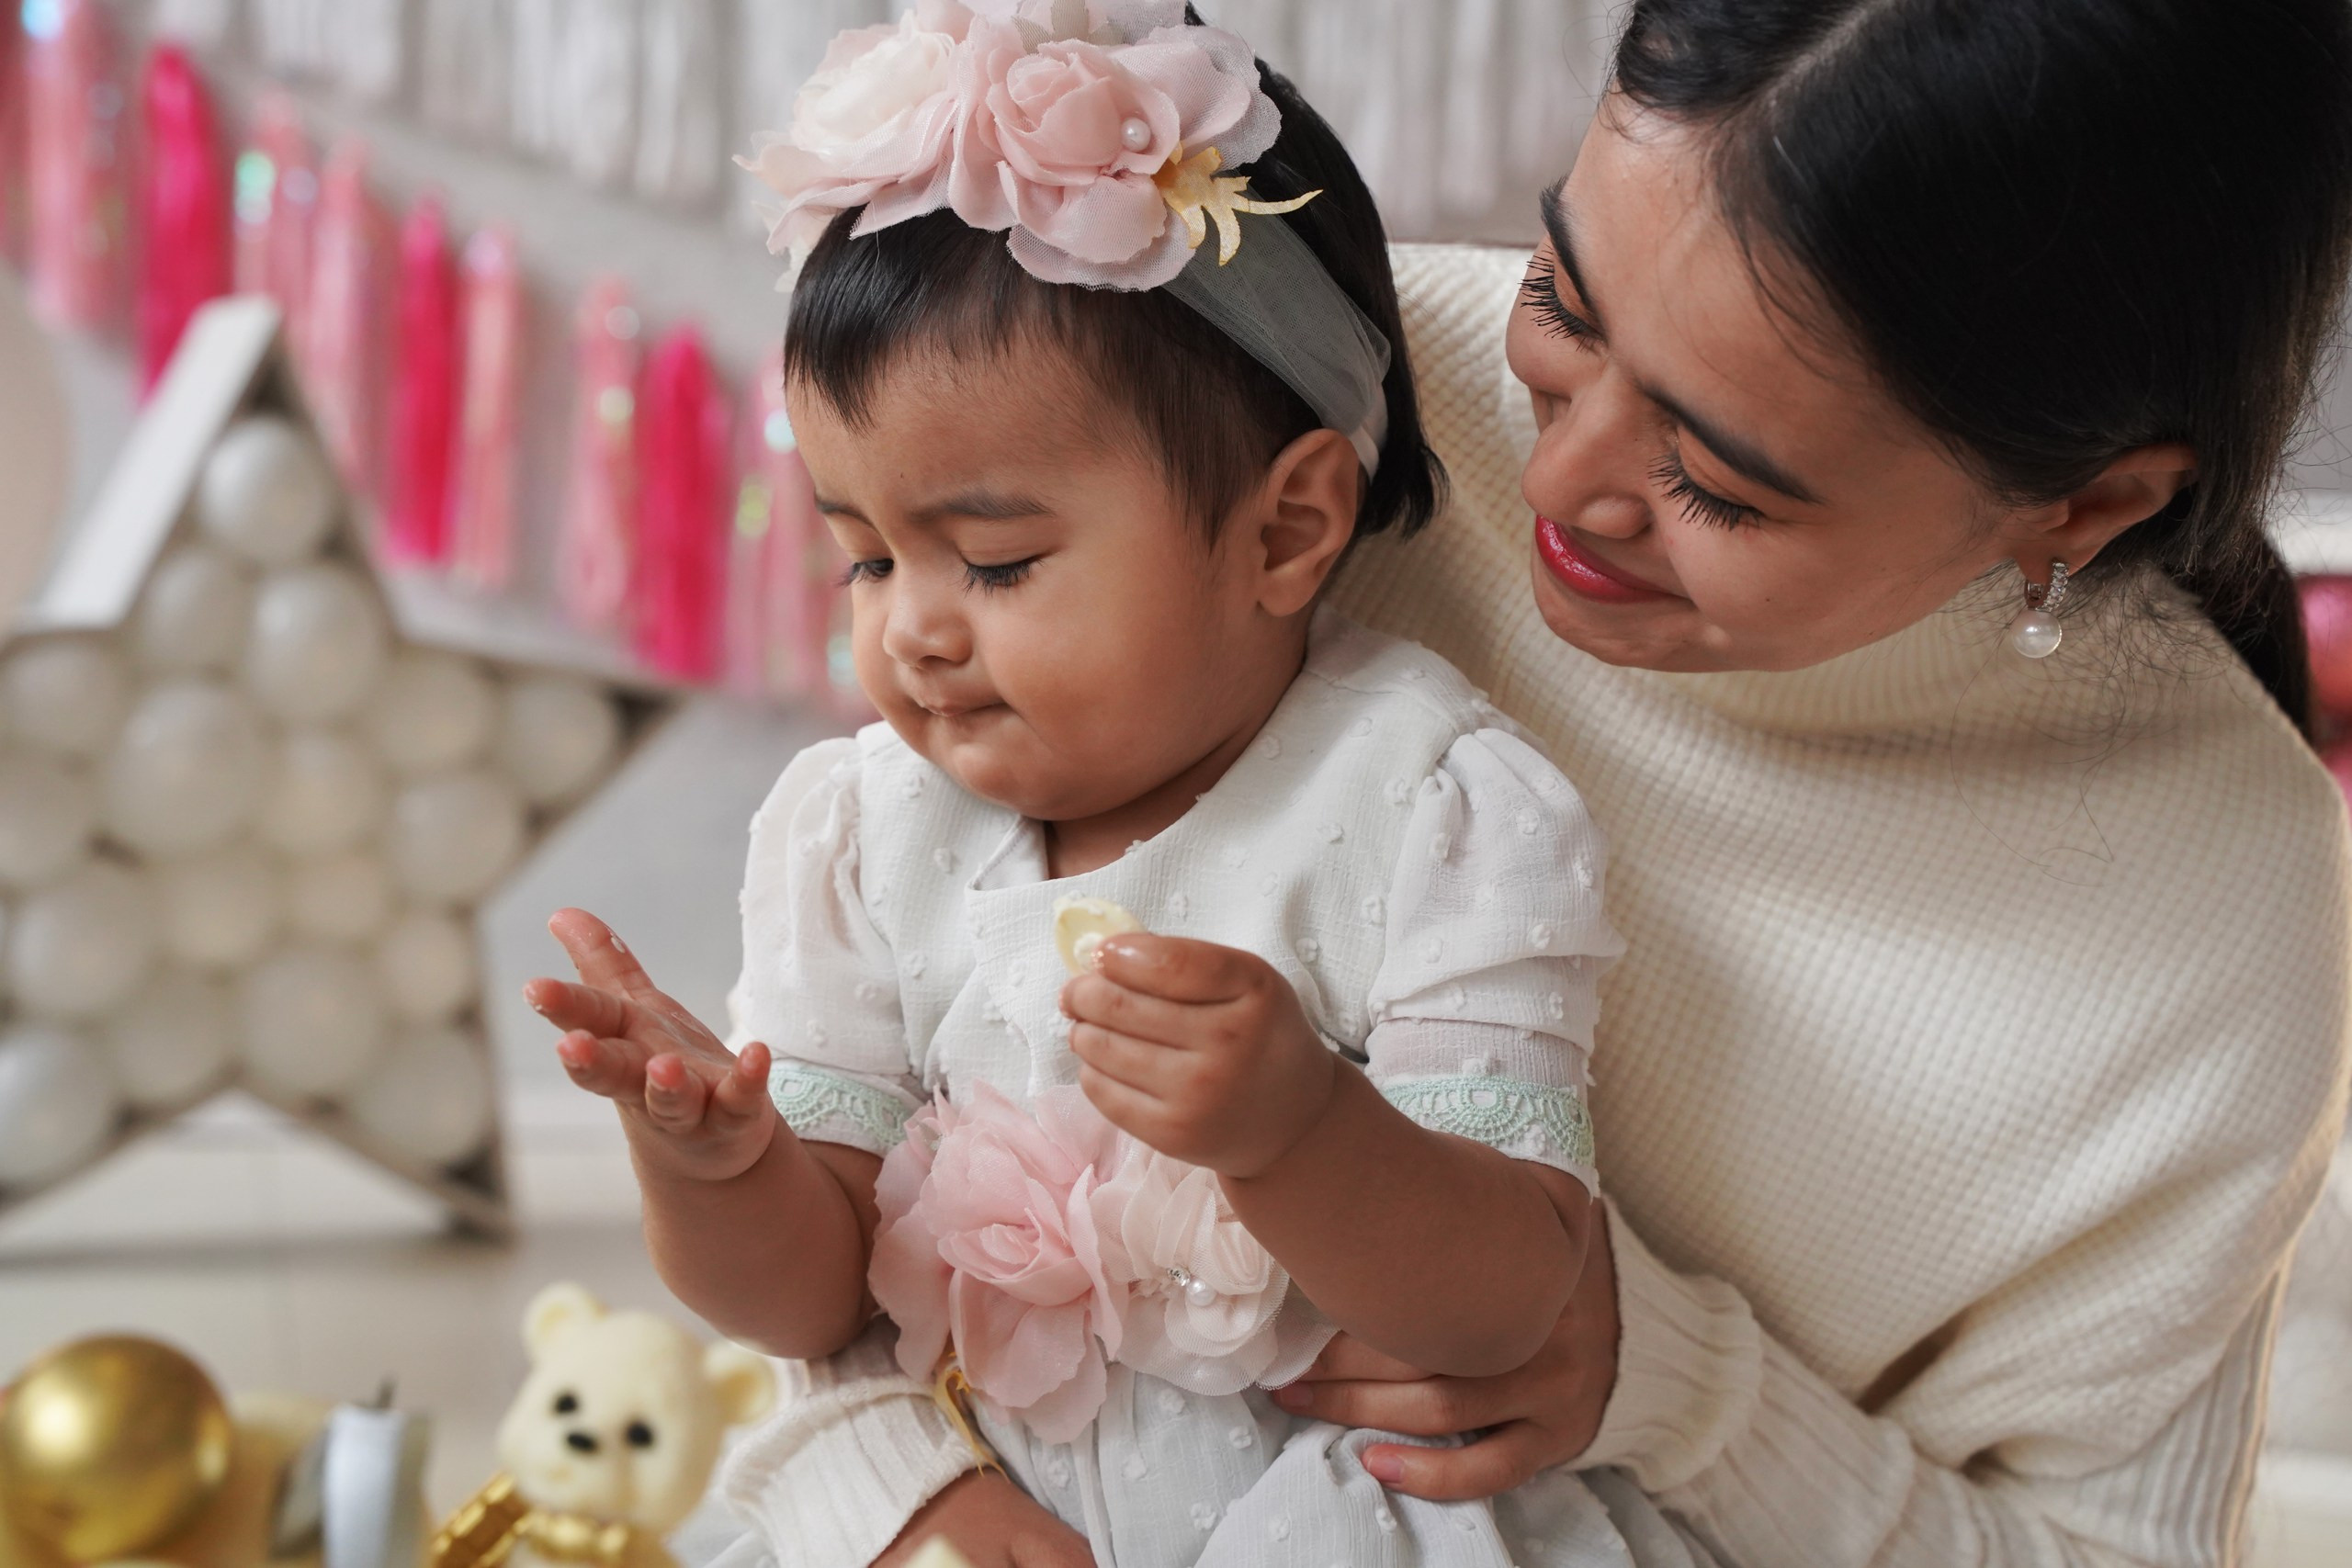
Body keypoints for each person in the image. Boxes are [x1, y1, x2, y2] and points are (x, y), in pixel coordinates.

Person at [701, 1, 2352, 1564]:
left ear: (2085, 506)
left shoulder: (2230, 922)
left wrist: (1682, 1389)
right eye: (1562, 302)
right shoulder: (1277, 382)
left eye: (1718, 478)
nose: (1555, 474)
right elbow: (905, 1011)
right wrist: (880, 1477)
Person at [529, 3, 1661, 1563]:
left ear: (1284, 531)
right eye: (868, 558)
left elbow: (1510, 1306)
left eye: (995, 561)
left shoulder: (1433, 806)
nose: (912, 631)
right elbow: (807, 1302)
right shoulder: (866, 832)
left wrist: (1305, 1131)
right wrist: (717, 1167)